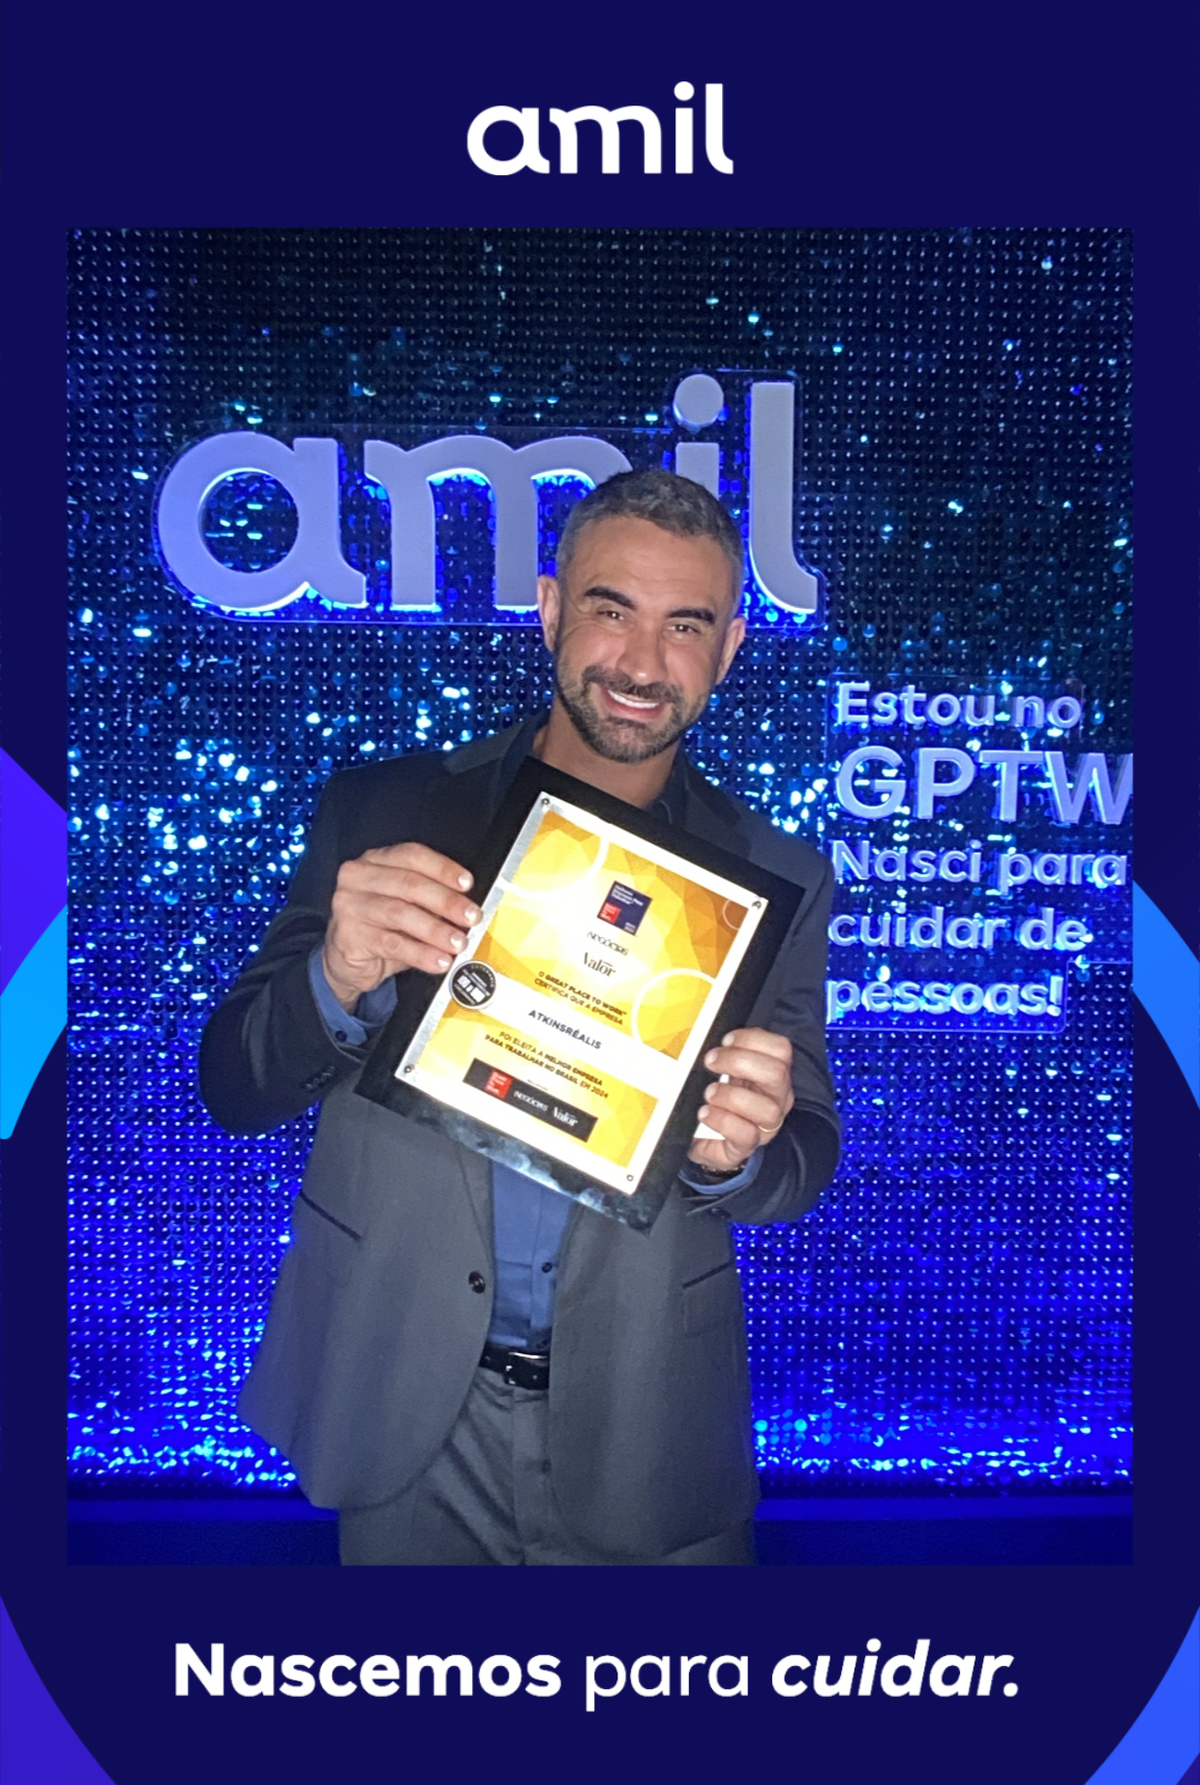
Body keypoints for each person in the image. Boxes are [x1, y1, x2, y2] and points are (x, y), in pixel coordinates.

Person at [200, 468, 839, 1565]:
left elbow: (803, 1157)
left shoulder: (772, 876)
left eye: (686, 626)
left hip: (649, 1419)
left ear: (731, 648)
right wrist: (337, 977)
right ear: (549, 609)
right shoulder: (384, 809)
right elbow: (233, 1084)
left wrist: (741, 1156)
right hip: (402, 1408)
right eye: (610, 610)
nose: (643, 663)